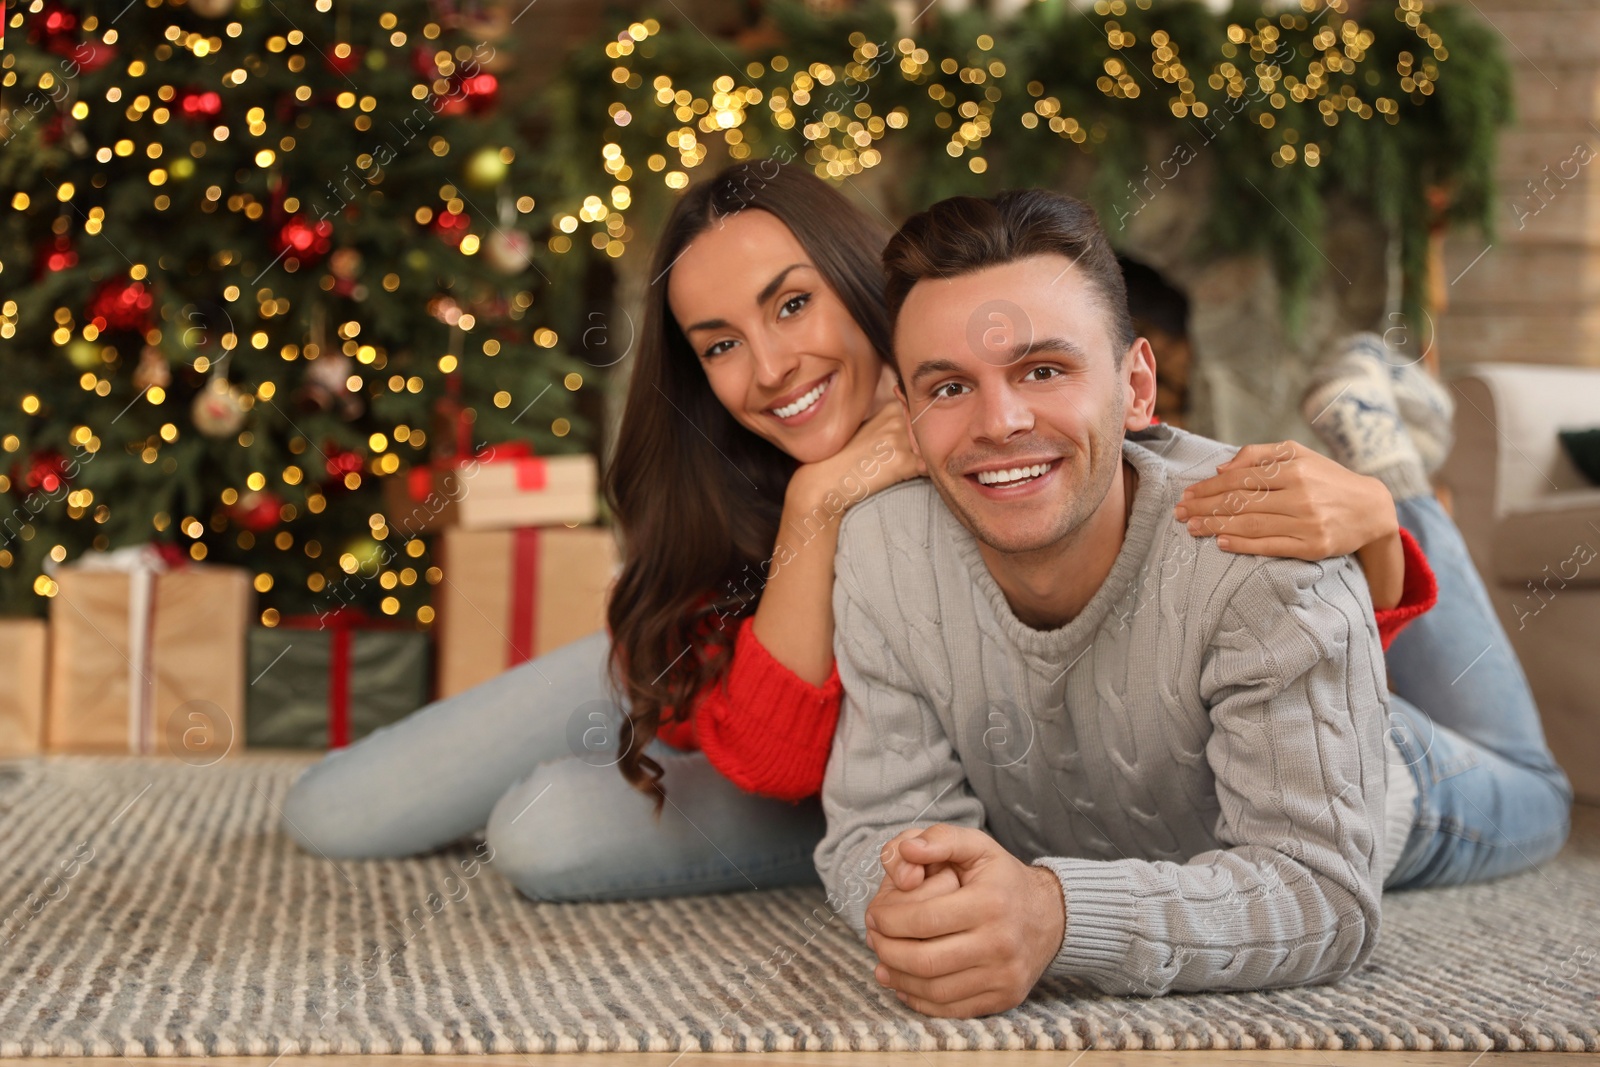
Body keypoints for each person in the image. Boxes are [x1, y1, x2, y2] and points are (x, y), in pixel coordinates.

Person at [278, 161, 1437, 902]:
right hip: (713, 699)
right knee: (337, 810)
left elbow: (1194, 593)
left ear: (856, 285)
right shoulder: (740, 466)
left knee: (543, 828)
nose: (769, 365)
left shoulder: (995, 423)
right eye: (719, 340)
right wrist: (818, 498)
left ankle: (1402, 479)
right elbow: (760, 741)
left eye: (792, 303)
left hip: (839, 790)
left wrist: (1376, 521)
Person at [812, 188, 1573, 1017]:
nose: (999, 421)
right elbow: (875, 824)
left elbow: (1326, 891)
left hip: (1373, 771)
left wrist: (1054, 916)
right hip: (1250, 700)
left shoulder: (1265, 556)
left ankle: (1396, 486)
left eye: (1044, 369)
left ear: (1138, 387)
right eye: (949, 387)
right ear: (908, 414)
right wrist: (924, 905)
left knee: (1541, 800)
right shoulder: (882, 547)